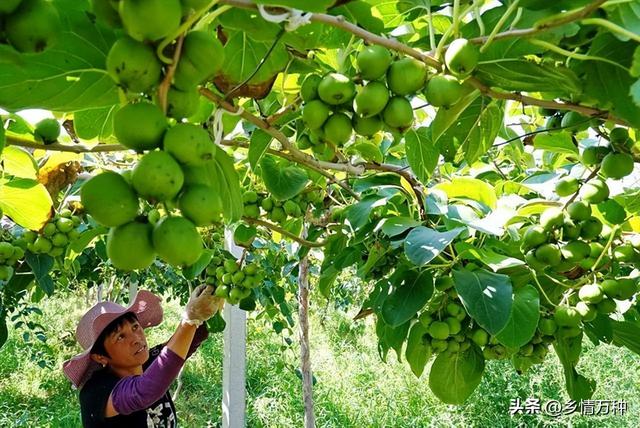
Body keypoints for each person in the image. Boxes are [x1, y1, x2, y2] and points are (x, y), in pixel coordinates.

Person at [62, 285, 224, 427]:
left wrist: (215, 297)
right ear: (100, 357)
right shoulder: (96, 391)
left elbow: (191, 339)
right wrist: (190, 320)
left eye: (135, 327)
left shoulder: (147, 364)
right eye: (120, 337)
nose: (136, 339)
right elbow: (143, 391)